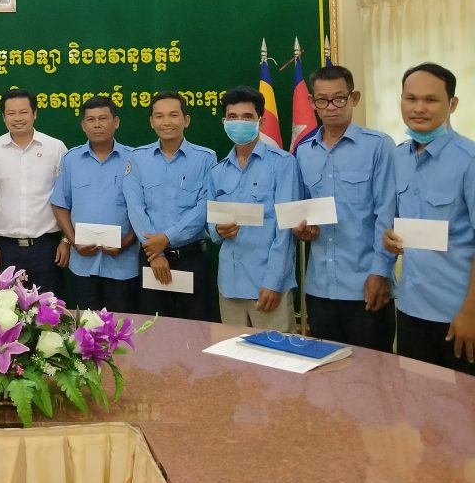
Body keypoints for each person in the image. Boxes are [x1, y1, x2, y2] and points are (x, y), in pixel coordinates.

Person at [294, 65, 396, 351]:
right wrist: (302, 230)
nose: (331, 106)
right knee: (327, 371)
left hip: (367, 285)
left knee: (373, 371)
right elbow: (302, 211)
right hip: (320, 289)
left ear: (354, 98)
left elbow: (387, 214)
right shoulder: (304, 152)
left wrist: (380, 272)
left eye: (339, 98)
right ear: (312, 103)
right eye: (322, 100)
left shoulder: (379, 146)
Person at [382, 62, 475, 373]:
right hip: (411, 308)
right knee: (417, 397)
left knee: (463, 401)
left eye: (431, 100)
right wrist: (391, 239)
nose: (419, 108)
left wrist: (470, 312)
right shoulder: (399, 157)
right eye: (411, 99)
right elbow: (400, 221)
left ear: (452, 104)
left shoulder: (469, 161)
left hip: (458, 314)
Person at [208, 86, 301, 332]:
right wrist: (218, 229)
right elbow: (211, 224)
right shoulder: (217, 172)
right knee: (232, 353)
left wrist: (273, 282)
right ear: (224, 122)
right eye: (232, 117)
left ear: (261, 121)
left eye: (247, 117)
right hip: (229, 286)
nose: (239, 122)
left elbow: (286, 229)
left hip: (268, 286)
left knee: (276, 354)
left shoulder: (283, 164)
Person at [125, 91, 218, 321]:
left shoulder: (206, 158)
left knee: (196, 330)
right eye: (159, 116)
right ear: (151, 122)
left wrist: (166, 238)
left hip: (192, 258)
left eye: (173, 115)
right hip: (151, 259)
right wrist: (155, 252)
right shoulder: (138, 158)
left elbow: (205, 207)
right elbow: (135, 207)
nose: (166, 122)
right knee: (153, 328)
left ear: (186, 120)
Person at [51, 96, 138, 311]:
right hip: (83, 262)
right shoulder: (71, 159)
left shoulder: (134, 159)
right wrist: (73, 241)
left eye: (103, 118)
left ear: (116, 122)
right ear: (83, 125)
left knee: (122, 326)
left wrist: (125, 243)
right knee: (87, 325)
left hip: (123, 264)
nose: (97, 125)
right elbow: (60, 205)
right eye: (90, 119)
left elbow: (144, 209)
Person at [0, 89, 67, 293]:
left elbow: (68, 196)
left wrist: (66, 240)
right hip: (4, 248)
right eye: (11, 113)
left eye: (24, 112)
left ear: (35, 113)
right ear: (3, 117)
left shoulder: (56, 148)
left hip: (47, 247)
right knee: (5, 307)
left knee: (48, 308)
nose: (17, 118)